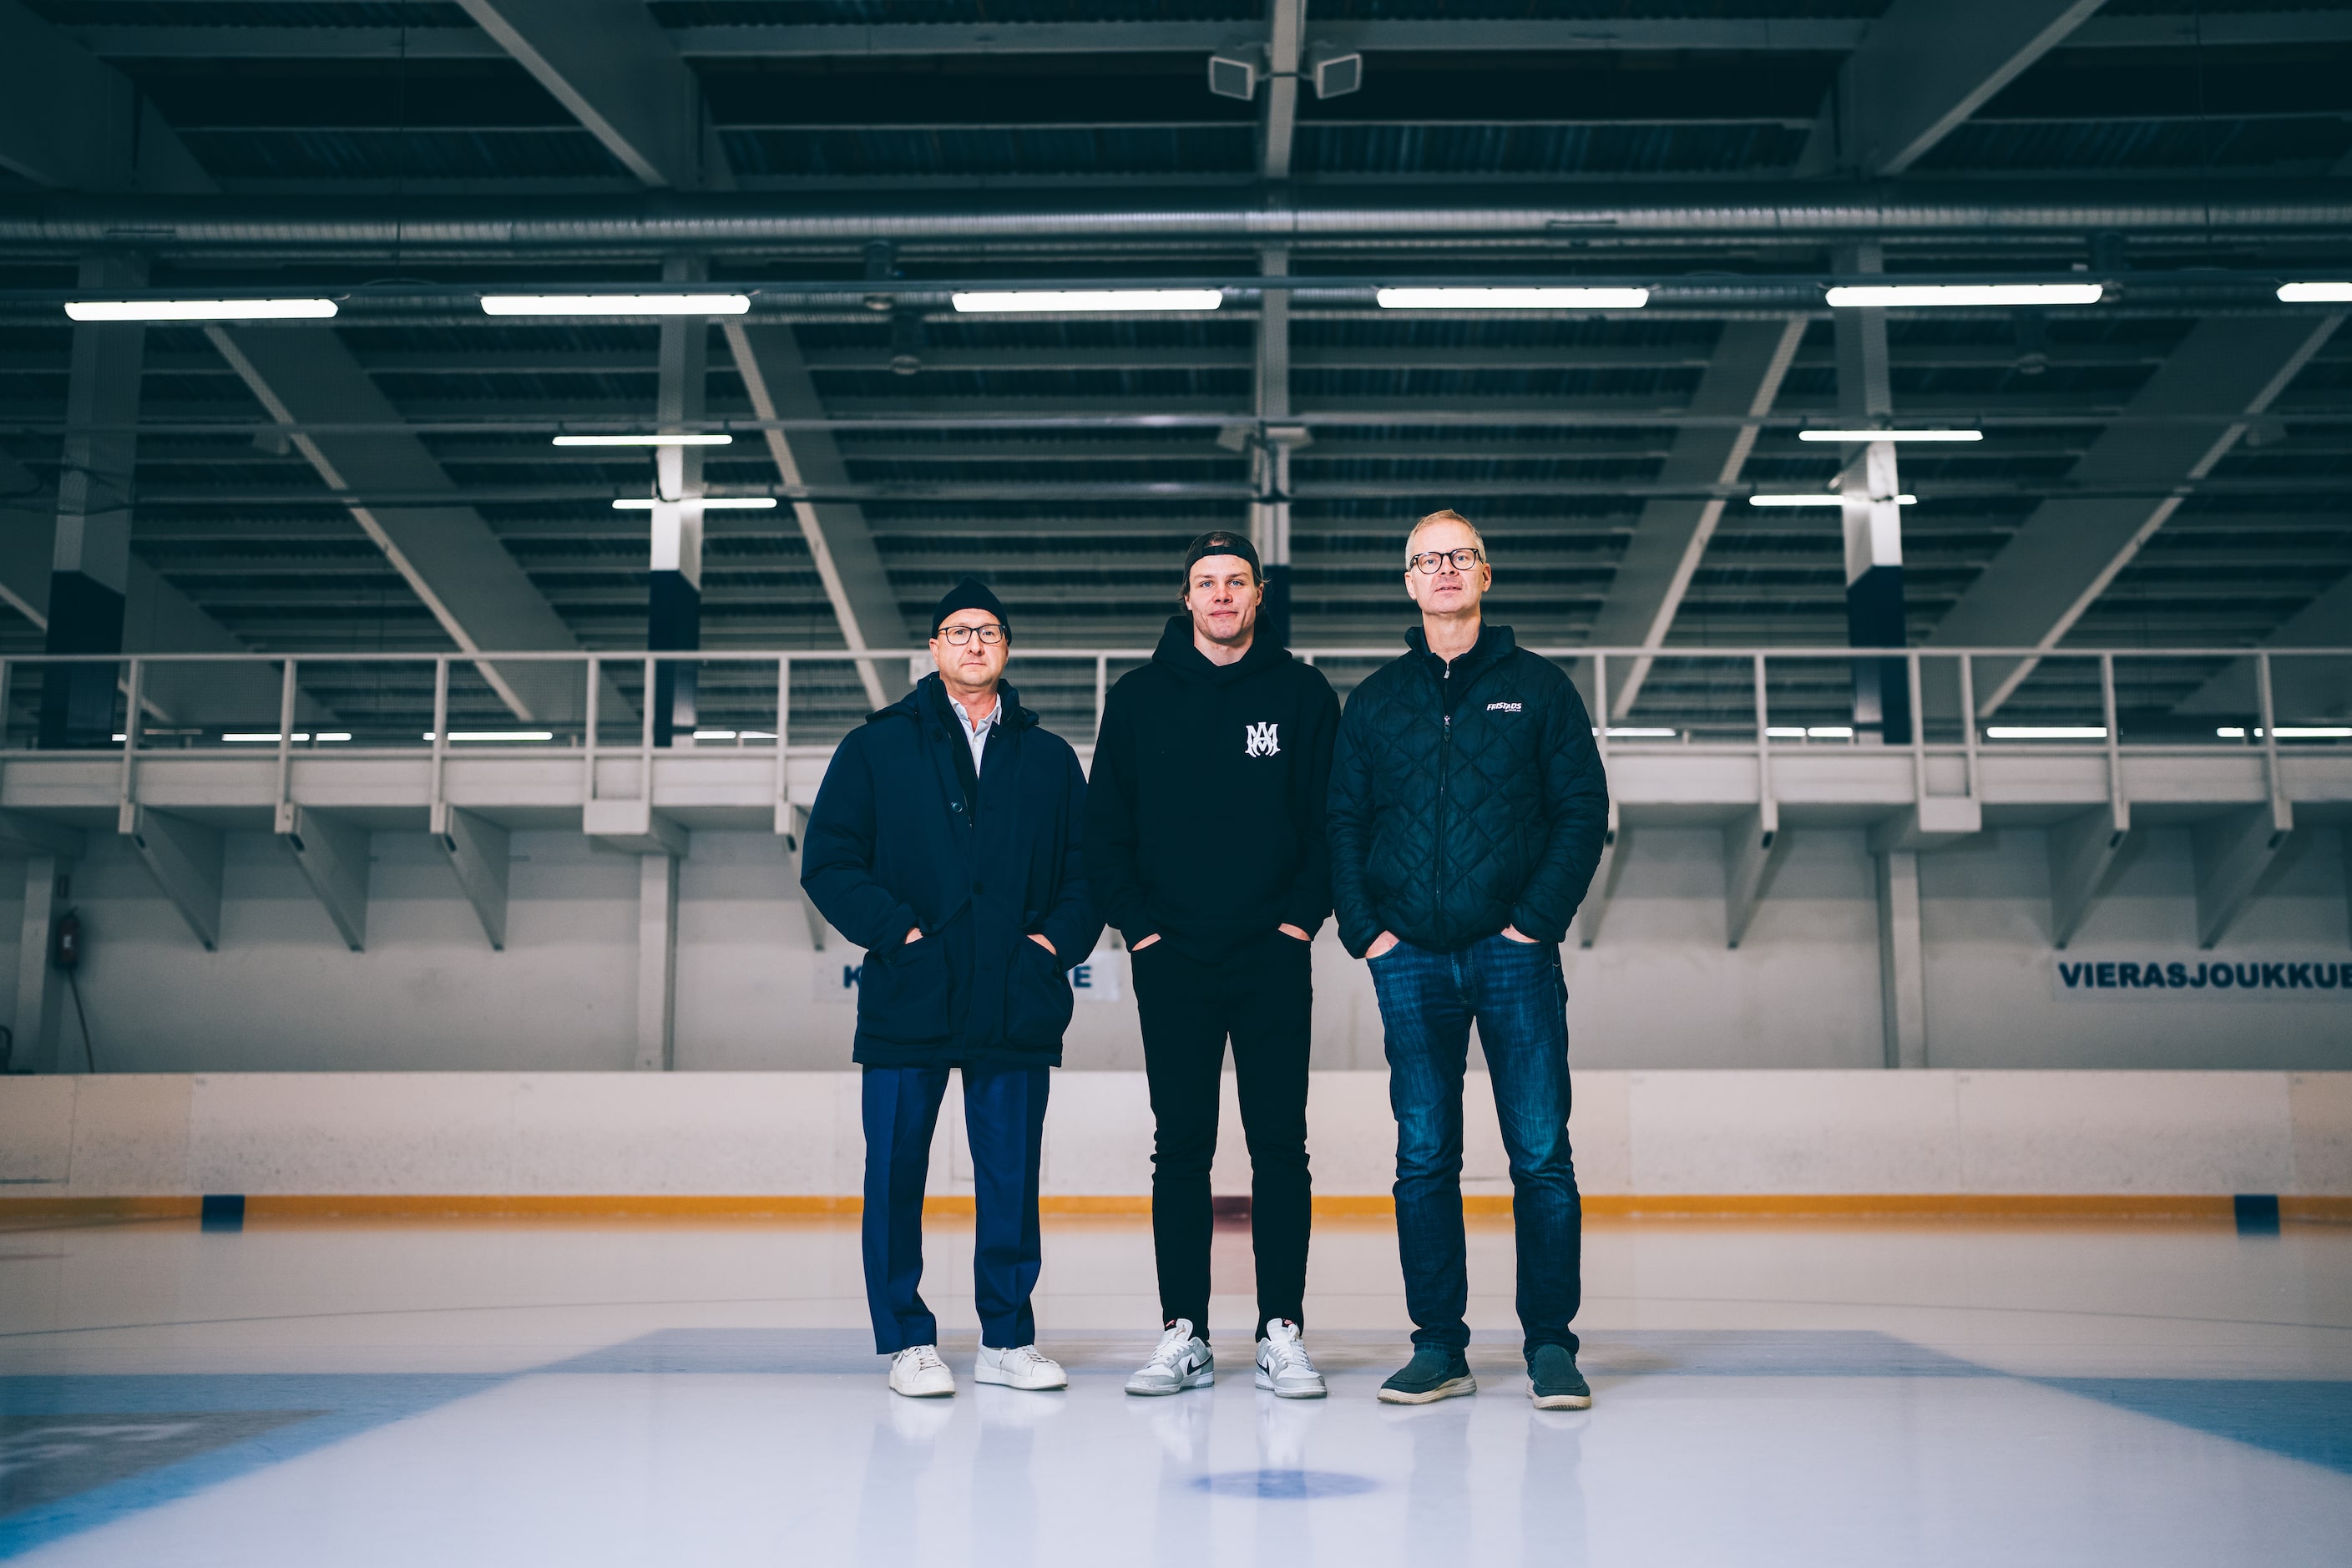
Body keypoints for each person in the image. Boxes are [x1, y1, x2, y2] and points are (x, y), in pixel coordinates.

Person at [1327, 509, 1611, 1410]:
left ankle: (1551, 1347)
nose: (1443, 572)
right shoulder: (1373, 702)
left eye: (1459, 558)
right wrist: (1367, 931)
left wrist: (1533, 923)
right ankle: (1439, 1346)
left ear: (1486, 575)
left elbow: (1581, 812)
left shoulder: (1543, 690)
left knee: (1540, 1155)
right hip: (1407, 958)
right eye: (1426, 560)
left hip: (1513, 957)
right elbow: (1341, 822)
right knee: (1423, 1156)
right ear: (1407, 582)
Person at [802, 577, 1101, 1399]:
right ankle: (906, 1340)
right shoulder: (877, 747)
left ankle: (1007, 1339)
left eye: (990, 631)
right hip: (911, 995)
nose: (975, 643)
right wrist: (898, 931)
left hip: (1014, 995)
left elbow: (1089, 870)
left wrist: (1049, 946)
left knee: (1010, 1174)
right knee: (894, 1172)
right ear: (934, 648)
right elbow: (826, 860)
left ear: (1006, 649)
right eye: (958, 631)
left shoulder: (1045, 757)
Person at [1085, 530, 1340, 1400]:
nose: (1222, 595)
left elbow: (1329, 826)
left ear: (1259, 595)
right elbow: (1104, 832)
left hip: (1272, 957)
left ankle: (1281, 1331)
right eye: (1207, 582)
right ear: (1186, 597)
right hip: (1174, 960)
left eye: (1237, 581)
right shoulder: (1138, 698)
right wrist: (1142, 933)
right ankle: (1184, 1332)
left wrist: (1299, 926)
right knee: (1181, 1147)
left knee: (1281, 1147)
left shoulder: (1303, 695)